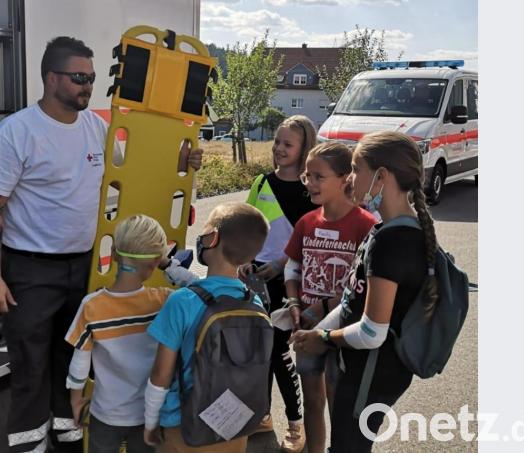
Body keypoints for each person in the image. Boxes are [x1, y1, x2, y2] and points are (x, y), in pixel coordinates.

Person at [0, 37, 203, 453]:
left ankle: (67, 436)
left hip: (86, 265)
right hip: (30, 270)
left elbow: (135, 169)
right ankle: (28, 444)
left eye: (93, 79)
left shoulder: (96, 128)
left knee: (74, 357)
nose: (87, 87)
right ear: (50, 78)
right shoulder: (18, 132)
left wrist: (182, 164)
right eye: (80, 78)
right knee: (30, 365)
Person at [292, 131, 437, 451]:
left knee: (347, 447)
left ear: (381, 177)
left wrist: (323, 338)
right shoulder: (392, 231)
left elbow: (372, 331)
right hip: (368, 368)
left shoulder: (391, 242)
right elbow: (352, 301)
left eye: (356, 169)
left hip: (371, 371)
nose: (350, 180)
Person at [143, 202, 269, 453]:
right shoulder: (253, 301)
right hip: (235, 424)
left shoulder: (182, 302)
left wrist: (150, 422)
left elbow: (161, 374)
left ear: (212, 238)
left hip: (185, 427)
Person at [65, 215, 197, 453]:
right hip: (150, 414)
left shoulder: (92, 306)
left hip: (104, 414)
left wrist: (75, 400)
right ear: (154, 263)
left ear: (114, 253)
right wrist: (168, 264)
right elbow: (200, 288)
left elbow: (80, 363)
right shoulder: (164, 300)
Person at [282, 142, 377, 453]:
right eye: (307, 175)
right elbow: (292, 268)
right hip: (305, 327)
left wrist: (323, 307)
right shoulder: (306, 222)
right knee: (312, 399)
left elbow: (363, 284)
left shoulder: (366, 226)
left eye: (318, 176)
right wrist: (295, 304)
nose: (309, 182)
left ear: (345, 178)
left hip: (341, 331)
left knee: (338, 402)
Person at [237, 114, 317, 452]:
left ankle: (296, 423)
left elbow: (308, 239)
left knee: (278, 353)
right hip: (255, 279)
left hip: (286, 280)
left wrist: (281, 264)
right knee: (258, 352)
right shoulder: (261, 182)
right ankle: (262, 415)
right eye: (276, 142)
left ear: (303, 149)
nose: (279, 149)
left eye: (288, 144)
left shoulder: (308, 191)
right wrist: (242, 260)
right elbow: (243, 225)